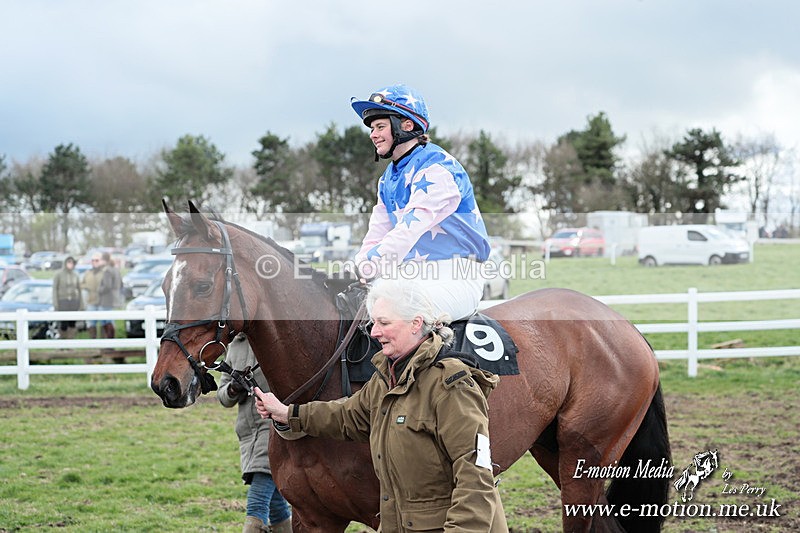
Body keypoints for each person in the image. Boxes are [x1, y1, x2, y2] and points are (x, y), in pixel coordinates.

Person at [254, 279, 508, 533]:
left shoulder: (451, 386)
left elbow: (475, 475)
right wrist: (289, 414)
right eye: (374, 322)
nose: (374, 332)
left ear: (415, 324)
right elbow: (348, 416)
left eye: (384, 323)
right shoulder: (388, 377)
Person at [349, 84, 491, 321]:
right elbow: (376, 235)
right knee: (354, 307)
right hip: (411, 274)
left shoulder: (438, 168)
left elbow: (407, 231)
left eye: (380, 126)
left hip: (456, 275)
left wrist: (363, 269)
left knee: (397, 313)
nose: (373, 134)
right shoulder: (387, 180)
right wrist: (355, 268)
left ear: (407, 125)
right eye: (372, 128)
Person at [217, 333, 292, 533]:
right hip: (247, 433)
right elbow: (223, 397)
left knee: (257, 502)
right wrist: (233, 388)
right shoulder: (234, 346)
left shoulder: (274, 337)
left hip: (274, 429)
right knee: (275, 504)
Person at [52, 256, 83, 339]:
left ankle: (70, 342)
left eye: (72, 262)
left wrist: (81, 304)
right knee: (63, 324)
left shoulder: (75, 275)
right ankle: (63, 342)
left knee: (72, 323)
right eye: (68, 262)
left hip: (73, 302)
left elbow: (79, 290)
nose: (70, 264)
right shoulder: (58, 274)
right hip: (63, 302)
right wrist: (55, 303)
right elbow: (55, 289)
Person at [97, 251, 122, 339]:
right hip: (114, 298)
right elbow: (121, 284)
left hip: (107, 299)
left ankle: (108, 342)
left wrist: (99, 290)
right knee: (110, 320)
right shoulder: (116, 269)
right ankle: (110, 342)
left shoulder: (107, 270)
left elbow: (107, 286)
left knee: (106, 321)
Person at [80, 252, 104, 338]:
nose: (94, 262)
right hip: (91, 301)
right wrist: (87, 286)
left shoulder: (104, 272)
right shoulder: (88, 273)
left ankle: (105, 344)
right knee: (91, 322)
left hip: (103, 302)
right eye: (93, 260)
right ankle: (93, 341)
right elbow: (81, 284)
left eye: (96, 260)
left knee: (104, 322)